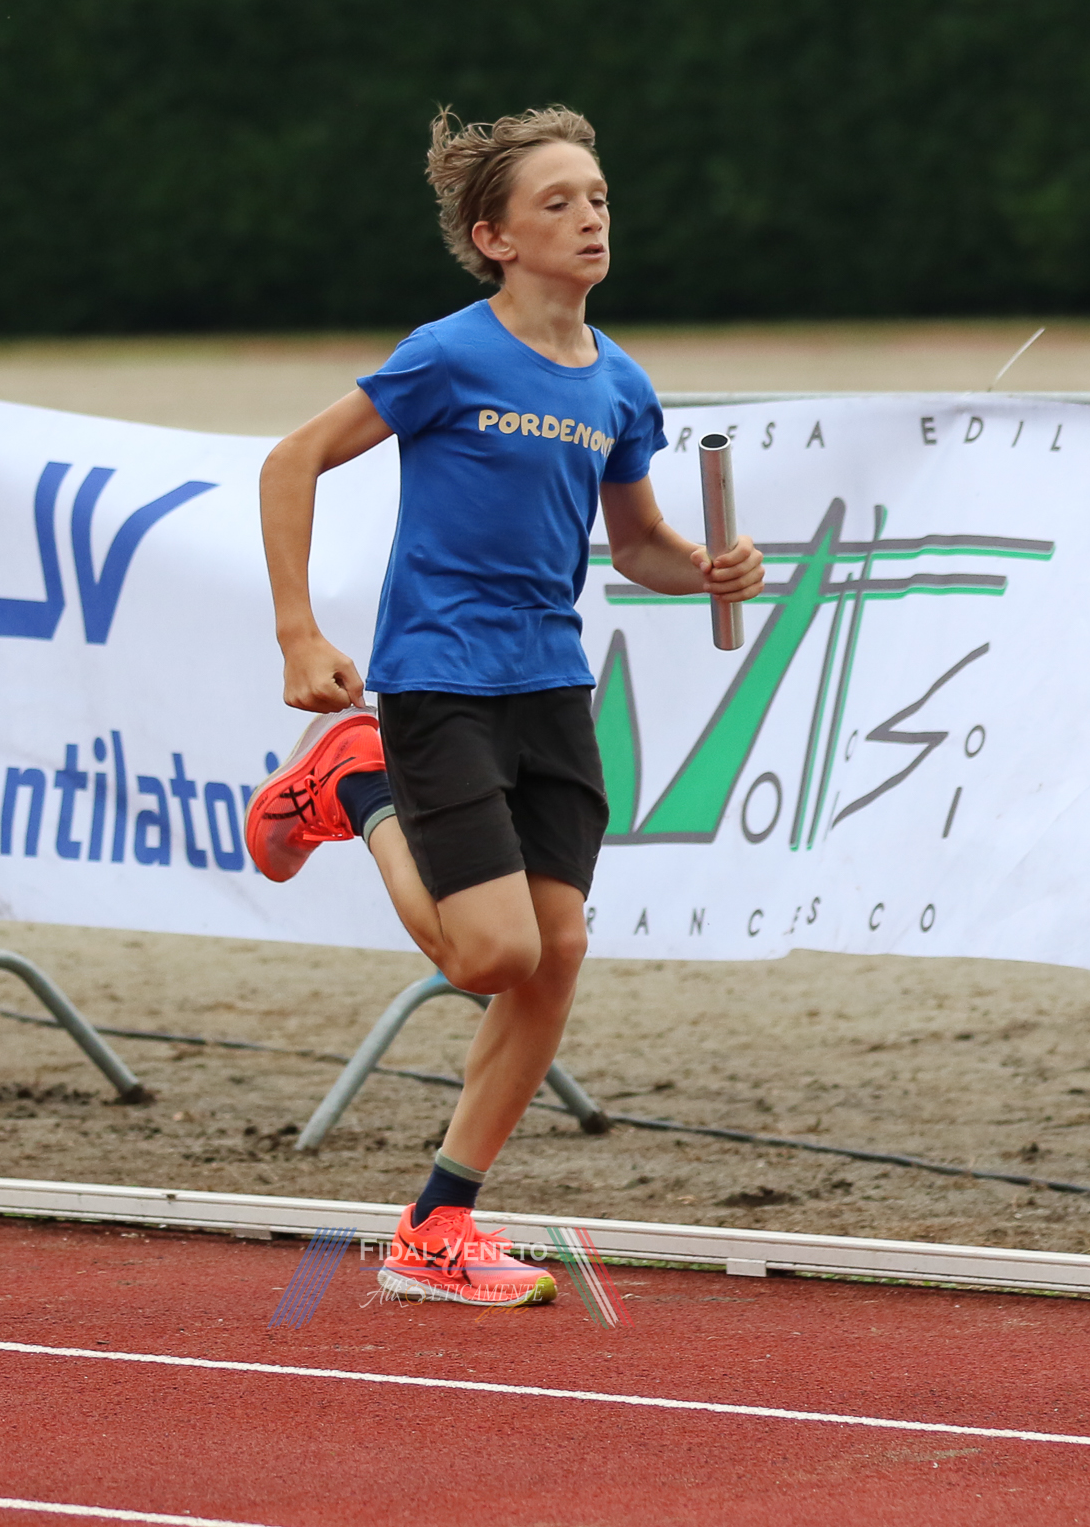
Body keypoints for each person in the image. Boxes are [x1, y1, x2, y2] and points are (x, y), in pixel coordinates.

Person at [250, 106, 763, 1307]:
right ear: (495, 237)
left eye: (599, 197)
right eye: (558, 202)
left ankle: (437, 1225)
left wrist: (709, 570)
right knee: (493, 953)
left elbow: (637, 543)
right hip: (440, 679)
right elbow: (290, 459)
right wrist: (298, 631)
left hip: (550, 688)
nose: (590, 218)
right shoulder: (448, 354)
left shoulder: (621, 381)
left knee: (557, 951)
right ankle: (355, 783)